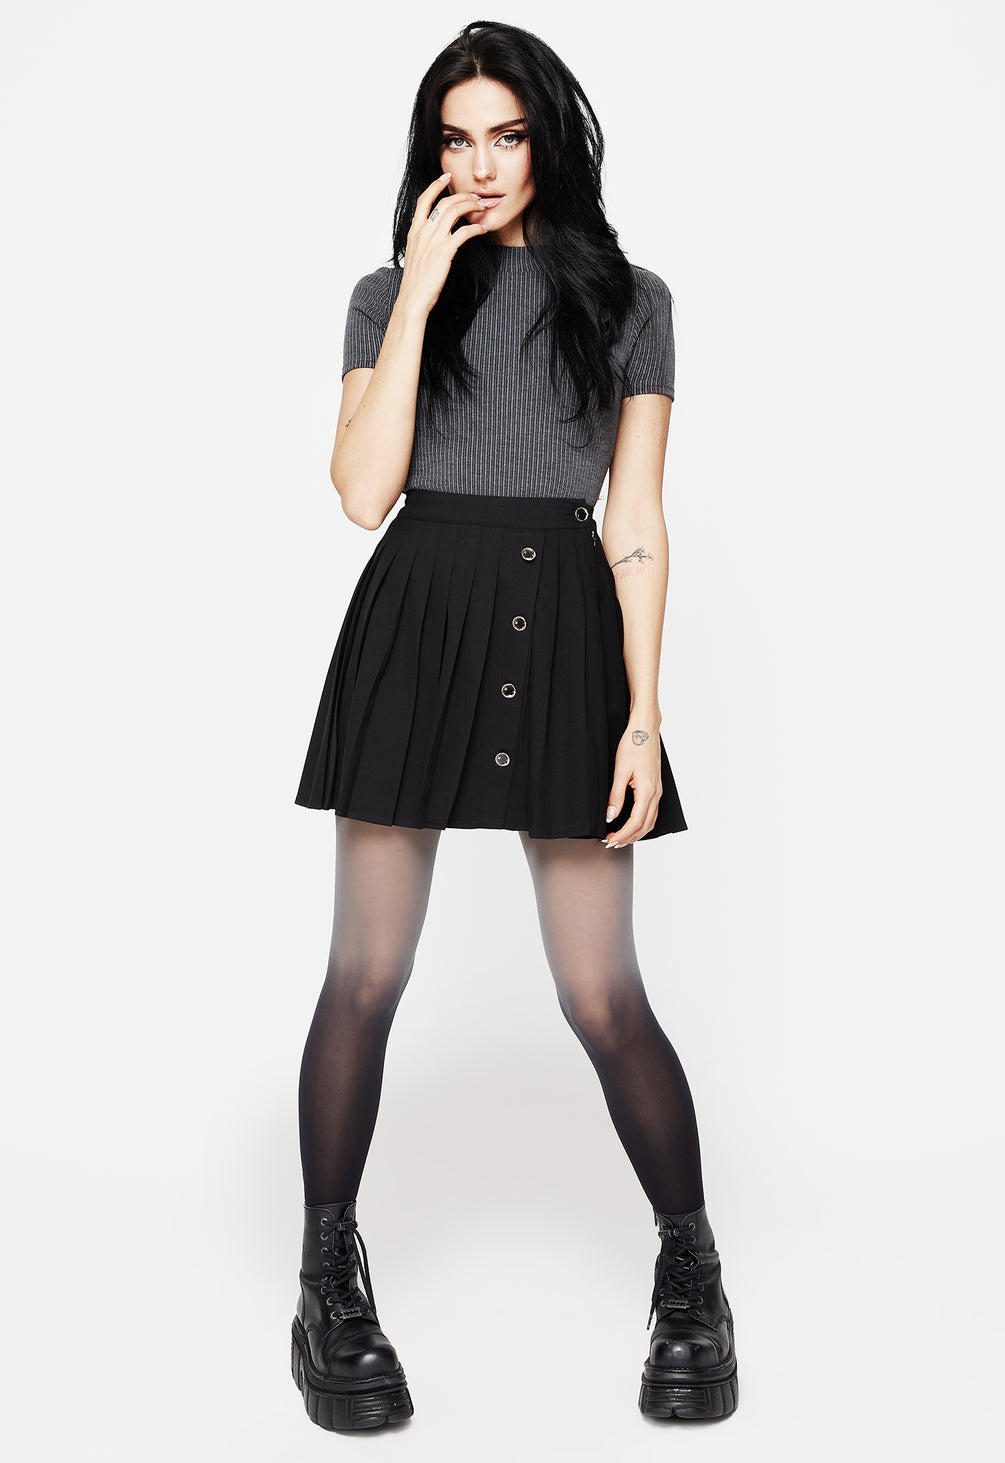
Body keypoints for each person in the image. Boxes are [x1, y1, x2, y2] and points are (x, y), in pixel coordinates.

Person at [289, 19, 739, 1432]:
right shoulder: (385, 295)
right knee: (366, 975)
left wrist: (645, 716)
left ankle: (693, 1280)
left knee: (601, 994)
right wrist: (422, 294)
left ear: (549, 141)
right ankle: (327, 1288)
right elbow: (362, 492)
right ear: (430, 153)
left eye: (507, 135)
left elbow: (637, 518)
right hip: (418, 621)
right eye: (456, 139)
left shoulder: (632, 300)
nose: (481, 165)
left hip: (566, 629)